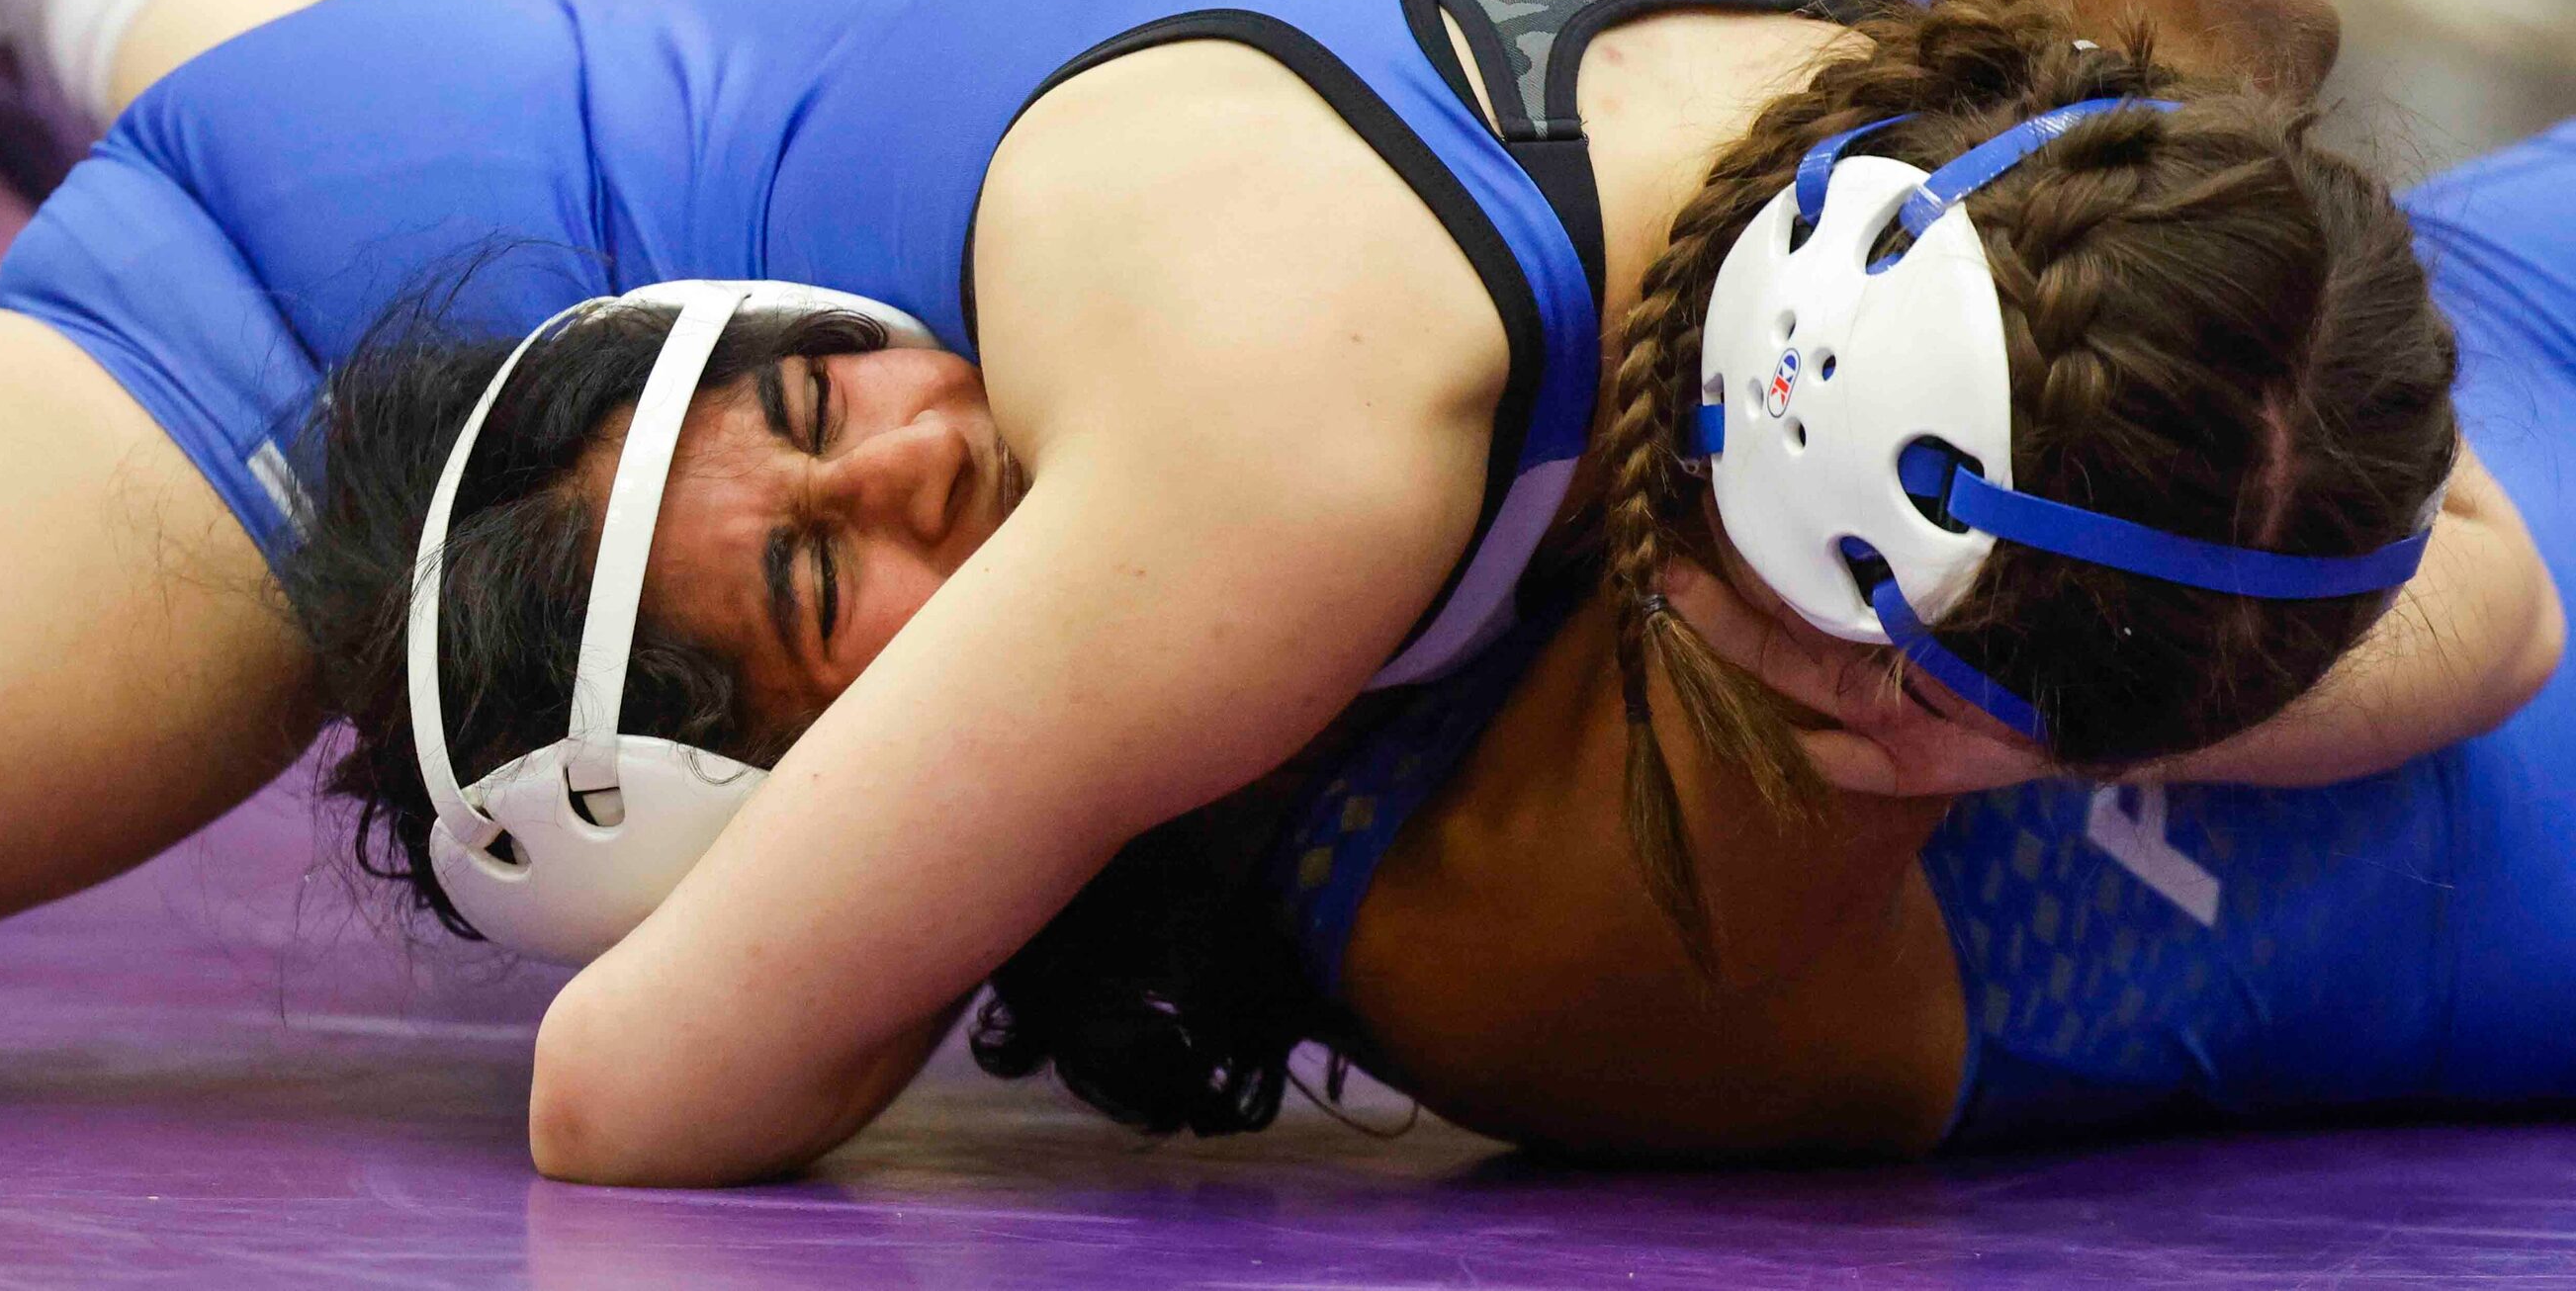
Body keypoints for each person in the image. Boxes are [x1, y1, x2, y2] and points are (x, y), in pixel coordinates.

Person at [0, 0, 2507, 1188]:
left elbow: (2270, 170)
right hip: (509, 192)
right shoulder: (1290, 455)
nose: (912, 444)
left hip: (668, 68)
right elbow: (642, 1080)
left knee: (441, 201)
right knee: (388, 232)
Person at [998, 105, 2572, 1158]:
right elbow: (2489, 612)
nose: (932, 446)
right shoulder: (1492, 925)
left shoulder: (1416, 444)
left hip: (2463, 299)